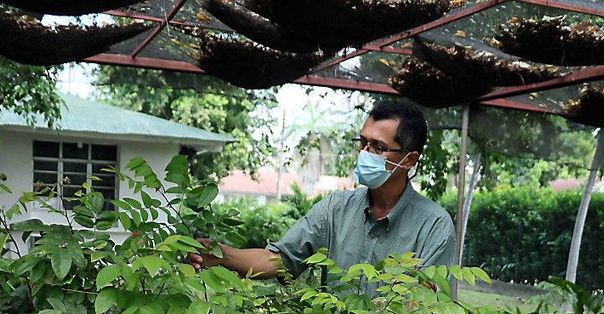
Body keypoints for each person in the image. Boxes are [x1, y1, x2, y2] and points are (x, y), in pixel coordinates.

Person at [187, 100, 455, 290]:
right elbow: (280, 260)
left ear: (409, 160)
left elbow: (422, 305)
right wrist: (223, 255)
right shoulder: (336, 208)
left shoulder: (433, 226)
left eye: (377, 147)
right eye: (362, 143)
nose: (363, 153)